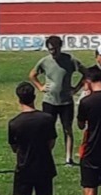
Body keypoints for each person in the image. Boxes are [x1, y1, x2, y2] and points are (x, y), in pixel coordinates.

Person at [5, 82, 57, 195]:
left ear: (19, 98)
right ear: (34, 97)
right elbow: (51, 142)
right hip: (43, 165)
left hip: (23, 167)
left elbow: (14, 147)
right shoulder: (47, 119)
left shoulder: (15, 123)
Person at [30, 35, 85, 165]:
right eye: (50, 49)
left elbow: (85, 73)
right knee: (48, 129)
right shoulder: (44, 61)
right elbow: (32, 75)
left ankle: (68, 158)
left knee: (67, 129)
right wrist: (40, 86)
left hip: (66, 101)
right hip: (49, 101)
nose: (52, 52)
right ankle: (47, 156)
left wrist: (76, 88)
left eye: (54, 49)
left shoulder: (70, 60)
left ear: (60, 47)